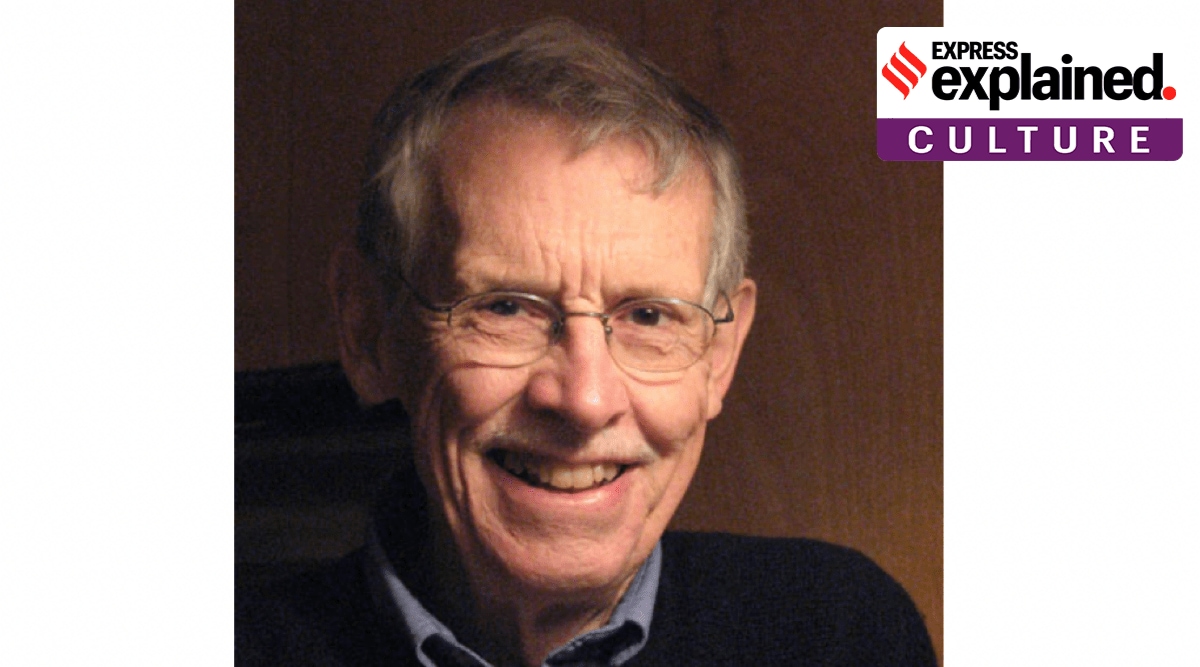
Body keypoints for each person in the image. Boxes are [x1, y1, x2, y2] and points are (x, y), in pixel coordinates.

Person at [237, 18, 937, 667]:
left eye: (650, 317)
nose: (585, 398)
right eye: (506, 306)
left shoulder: (842, 635)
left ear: (719, 354)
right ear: (368, 330)